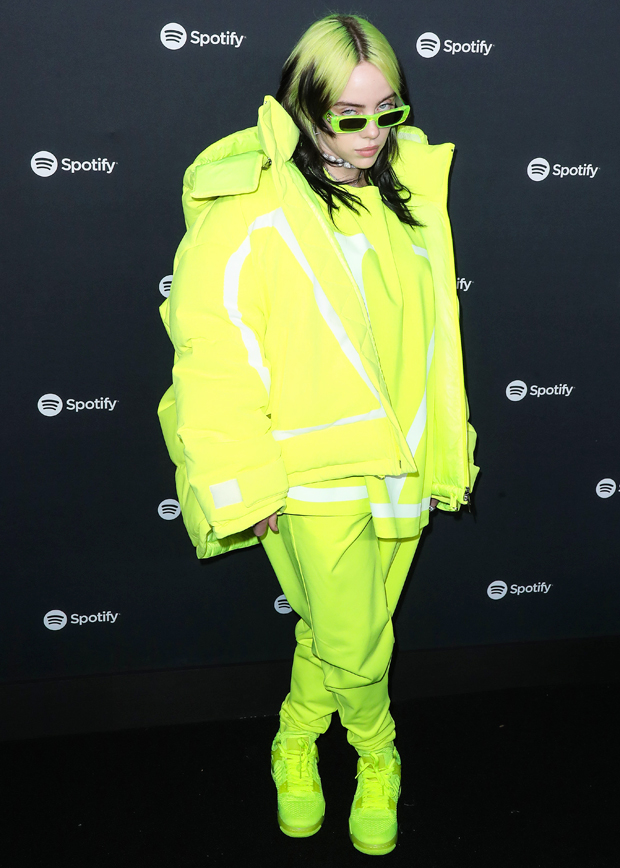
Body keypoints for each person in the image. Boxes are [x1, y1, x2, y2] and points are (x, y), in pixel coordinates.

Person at [158, 13, 478, 856]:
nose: (374, 134)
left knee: (343, 629)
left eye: (389, 113)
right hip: (309, 473)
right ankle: (378, 753)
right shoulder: (249, 206)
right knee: (355, 638)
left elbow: (429, 341)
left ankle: (295, 735)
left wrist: (444, 443)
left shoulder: (410, 190)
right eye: (350, 115)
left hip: (401, 464)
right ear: (301, 105)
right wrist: (243, 485)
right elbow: (213, 354)